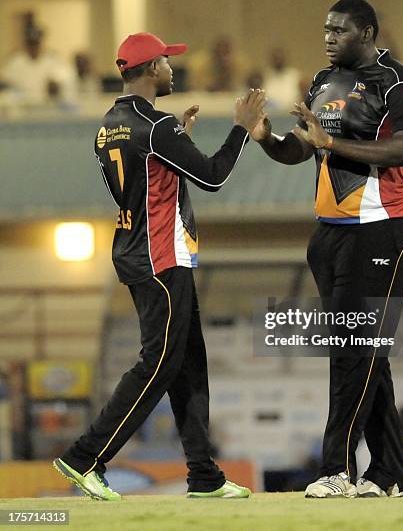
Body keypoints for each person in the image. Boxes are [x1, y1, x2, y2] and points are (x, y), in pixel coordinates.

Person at [53, 32, 266, 501]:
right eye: (168, 62)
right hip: (161, 257)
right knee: (159, 364)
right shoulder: (156, 125)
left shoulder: (109, 124)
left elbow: (145, 181)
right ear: (151, 69)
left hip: (135, 250)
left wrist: (177, 141)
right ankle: (84, 457)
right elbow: (212, 176)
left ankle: (203, 475)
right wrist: (242, 128)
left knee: (189, 365)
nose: (173, 69)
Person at [251, 0, 403, 499]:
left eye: (339, 30)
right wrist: (265, 137)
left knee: (354, 353)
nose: (328, 37)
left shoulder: (399, 83)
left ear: (367, 32)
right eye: (325, 29)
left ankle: (337, 470)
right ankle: (393, 472)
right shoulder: (324, 82)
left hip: (383, 229)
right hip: (330, 234)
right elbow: (298, 149)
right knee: (364, 354)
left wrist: (334, 146)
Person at [1, 26, 76, 108]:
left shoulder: (52, 60)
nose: (33, 47)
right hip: (22, 107)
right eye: (30, 44)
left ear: (41, 43)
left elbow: (63, 79)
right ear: (26, 44)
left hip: (46, 107)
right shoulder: (15, 61)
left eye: (36, 44)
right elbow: (6, 83)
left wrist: (56, 85)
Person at [263, 47, 302, 111]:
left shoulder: (295, 77)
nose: (278, 61)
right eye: (276, 58)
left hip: (292, 115)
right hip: (271, 116)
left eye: (280, 58)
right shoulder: (265, 77)